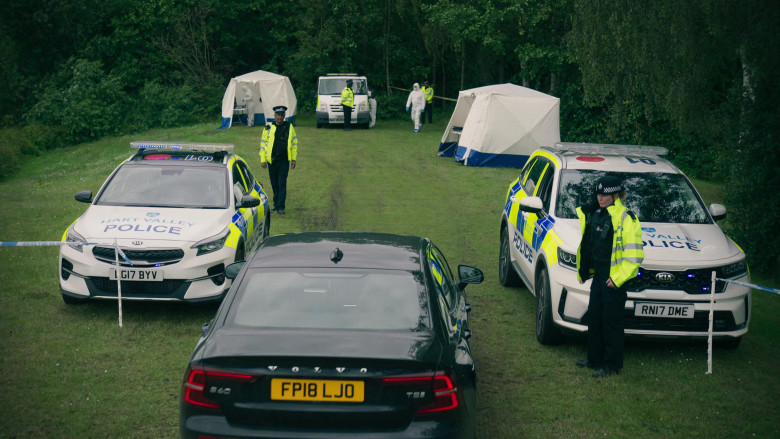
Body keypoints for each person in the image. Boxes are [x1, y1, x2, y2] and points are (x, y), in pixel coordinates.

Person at [575, 175, 644, 378]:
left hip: (615, 280)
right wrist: (585, 270)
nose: (600, 197)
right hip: (599, 277)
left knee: (611, 322)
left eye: (604, 194)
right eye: (598, 193)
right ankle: (594, 359)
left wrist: (617, 279)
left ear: (616, 195)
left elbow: (634, 256)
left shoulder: (626, 218)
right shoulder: (596, 213)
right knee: (594, 318)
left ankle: (611, 365)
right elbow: (590, 244)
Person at [259, 106, 298, 215]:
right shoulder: (268, 128)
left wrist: (293, 159)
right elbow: (263, 145)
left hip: (284, 160)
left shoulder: (290, 127)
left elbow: (294, 144)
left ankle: (281, 206)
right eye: (278, 115)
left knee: (282, 183)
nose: (280, 117)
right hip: (272, 161)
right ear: (275, 116)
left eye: (282, 115)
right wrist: (263, 160)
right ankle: (276, 204)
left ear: (284, 116)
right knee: (274, 183)